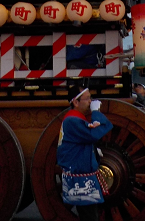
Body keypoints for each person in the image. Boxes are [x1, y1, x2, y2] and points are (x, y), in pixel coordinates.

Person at [57, 85, 114, 221]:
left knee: (89, 214)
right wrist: (96, 112)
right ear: (75, 102)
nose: (90, 102)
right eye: (87, 98)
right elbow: (93, 134)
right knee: (89, 215)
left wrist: (92, 150)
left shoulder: (74, 119)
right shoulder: (72, 120)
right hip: (80, 178)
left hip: (80, 176)